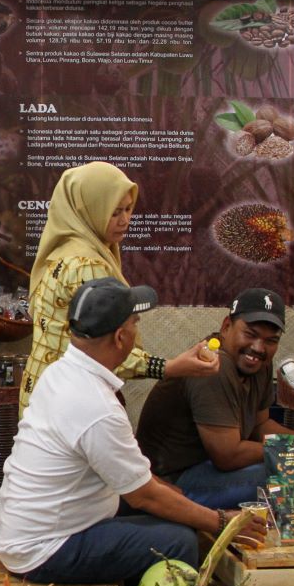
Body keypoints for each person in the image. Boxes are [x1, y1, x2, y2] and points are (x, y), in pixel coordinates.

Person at [0, 277, 266, 586]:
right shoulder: (96, 407)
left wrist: (165, 490)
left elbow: (139, 483)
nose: (139, 330)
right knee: (179, 542)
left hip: (27, 530)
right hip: (45, 549)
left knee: (171, 502)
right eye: (136, 323)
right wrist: (221, 523)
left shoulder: (60, 372)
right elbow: (144, 497)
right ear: (121, 338)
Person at [20, 161, 217, 412]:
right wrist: (171, 367)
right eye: (114, 212)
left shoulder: (64, 251)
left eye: (128, 209)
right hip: (68, 404)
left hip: (42, 393)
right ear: (89, 210)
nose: (125, 220)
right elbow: (102, 348)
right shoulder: (86, 265)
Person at [136, 288, 294, 508]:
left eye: (271, 340)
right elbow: (228, 456)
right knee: (289, 471)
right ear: (226, 327)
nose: (259, 348)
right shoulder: (212, 366)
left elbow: (260, 425)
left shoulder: (258, 363)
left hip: (210, 467)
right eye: (250, 334)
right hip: (172, 481)